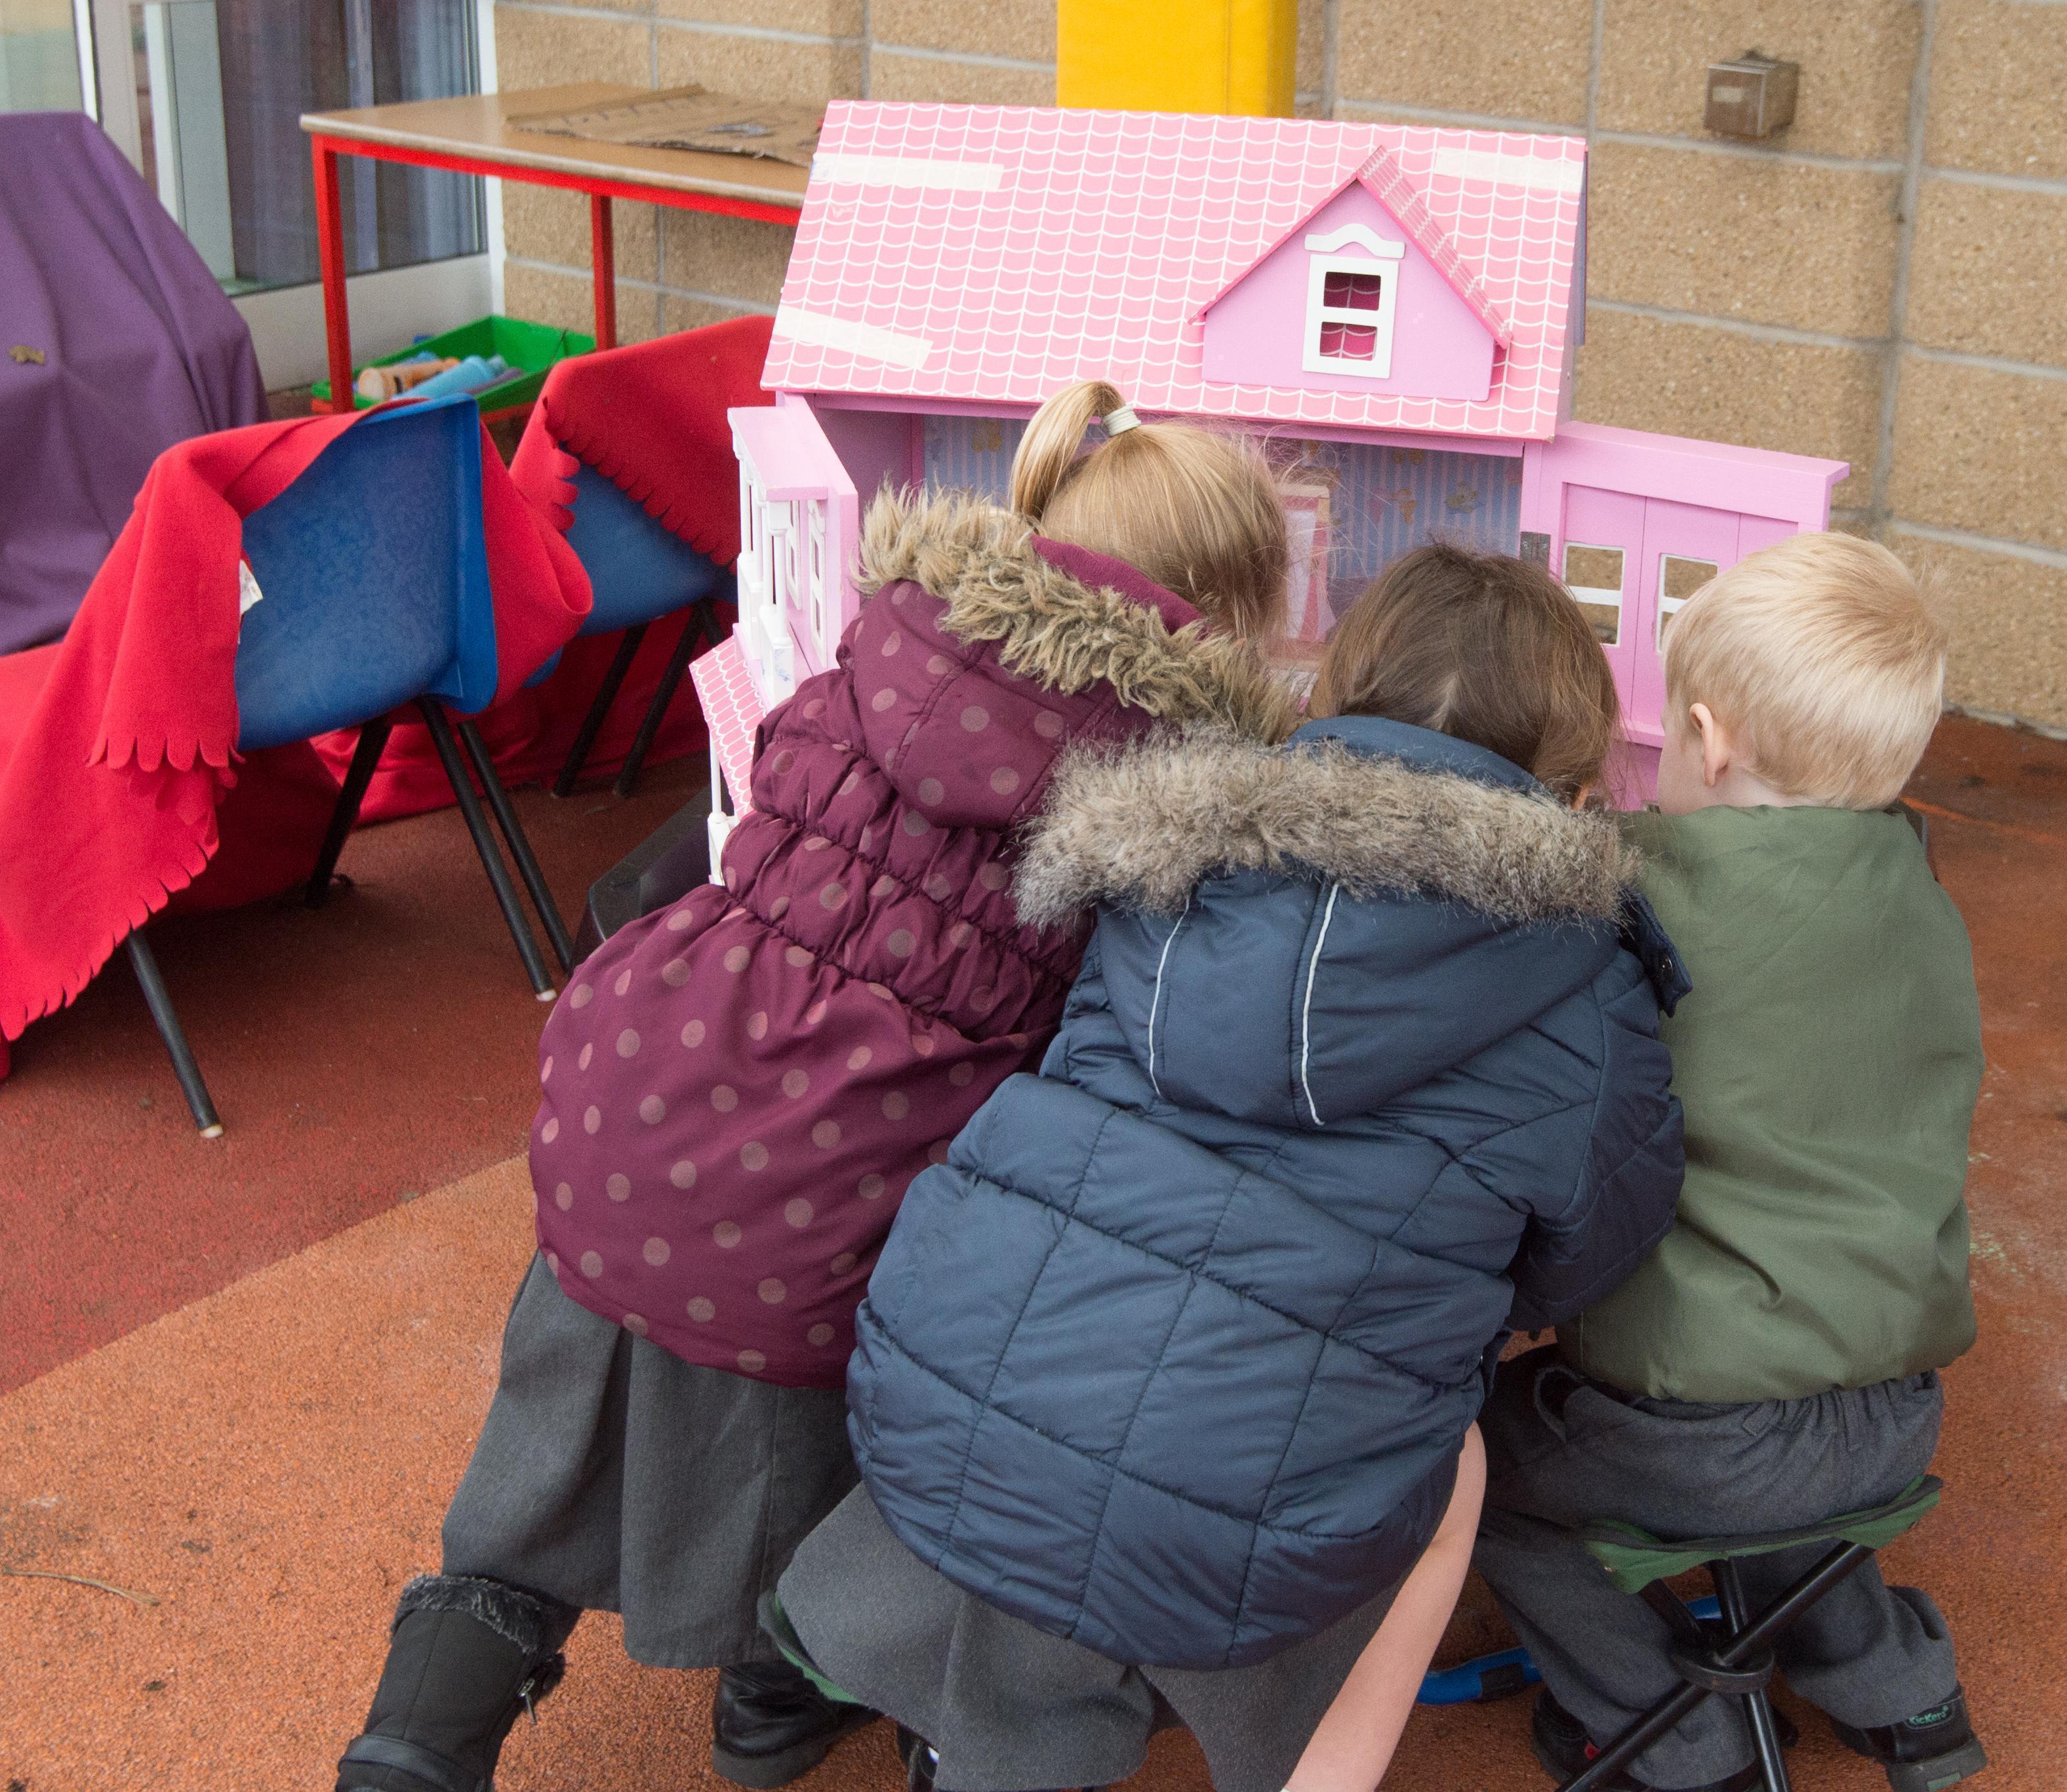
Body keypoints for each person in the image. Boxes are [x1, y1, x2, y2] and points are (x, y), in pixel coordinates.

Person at [334, 382, 1295, 1792]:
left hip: (637, 1083)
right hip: (829, 1171)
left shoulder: (889, 643)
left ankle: (416, 1734)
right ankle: (780, 1692)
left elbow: (774, 786)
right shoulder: (1162, 780)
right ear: (1219, 610)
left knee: (557, 1412)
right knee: (870, 1392)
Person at [778, 544, 1690, 1792]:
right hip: (1250, 1499)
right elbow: (1595, 1248)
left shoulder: (1167, 861)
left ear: (1321, 700)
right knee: (1446, 1459)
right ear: (1574, 794)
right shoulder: (1585, 980)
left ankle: (968, 1734)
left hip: (948, 1397)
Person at [1474, 532, 1990, 1792]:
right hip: (1897, 1409)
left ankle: (1668, 1729)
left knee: (1478, 1470)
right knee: (1793, 1465)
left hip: (1692, 1432)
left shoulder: (1639, 894)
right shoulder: (1921, 898)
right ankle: (1901, 1695)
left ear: (1705, 741)